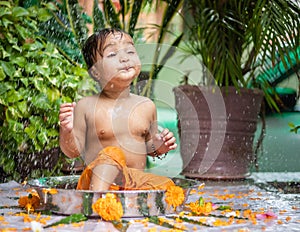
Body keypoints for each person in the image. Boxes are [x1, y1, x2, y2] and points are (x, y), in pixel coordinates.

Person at [59, 28, 177, 191]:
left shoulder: (146, 106)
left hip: (132, 185)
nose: (124, 58)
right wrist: (67, 131)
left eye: (129, 51)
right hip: (96, 183)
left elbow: (148, 147)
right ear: (96, 72)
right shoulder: (86, 106)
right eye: (112, 55)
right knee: (111, 156)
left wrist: (160, 145)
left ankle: (130, 202)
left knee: (168, 187)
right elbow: (72, 152)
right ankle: (97, 201)